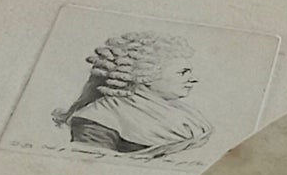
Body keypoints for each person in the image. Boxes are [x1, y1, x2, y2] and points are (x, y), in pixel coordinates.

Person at [51, 30, 213, 159]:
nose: (194, 80)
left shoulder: (187, 113)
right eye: (183, 73)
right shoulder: (97, 119)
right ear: (145, 76)